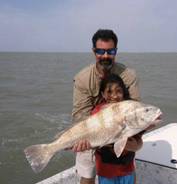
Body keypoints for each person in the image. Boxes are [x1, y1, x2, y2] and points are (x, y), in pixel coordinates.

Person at [71, 29, 141, 184]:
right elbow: (79, 115)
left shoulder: (128, 76)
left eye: (110, 51)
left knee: (128, 166)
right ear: (94, 51)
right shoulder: (82, 79)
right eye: (100, 51)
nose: (105, 56)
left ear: (115, 51)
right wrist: (88, 138)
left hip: (120, 130)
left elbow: (134, 109)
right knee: (87, 174)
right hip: (91, 130)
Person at [91, 74, 143, 184]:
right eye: (109, 92)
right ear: (103, 94)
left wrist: (137, 145)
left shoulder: (131, 112)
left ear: (123, 92)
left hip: (127, 169)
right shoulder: (96, 114)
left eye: (118, 91)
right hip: (106, 172)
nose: (114, 96)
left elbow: (138, 138)